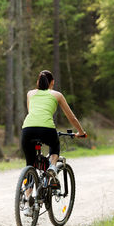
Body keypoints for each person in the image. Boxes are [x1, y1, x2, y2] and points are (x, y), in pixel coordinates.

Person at [21, 70, 86, 216]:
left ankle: (27, 203)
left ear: (38, 82)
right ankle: (51, 167)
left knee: (30, 164)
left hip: (27, 129)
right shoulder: (57, 95)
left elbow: (31, 111)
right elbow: (72, 117)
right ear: (52, 83)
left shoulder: (30, 94)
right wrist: (80, 132)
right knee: (55, 147)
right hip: (46, 129)